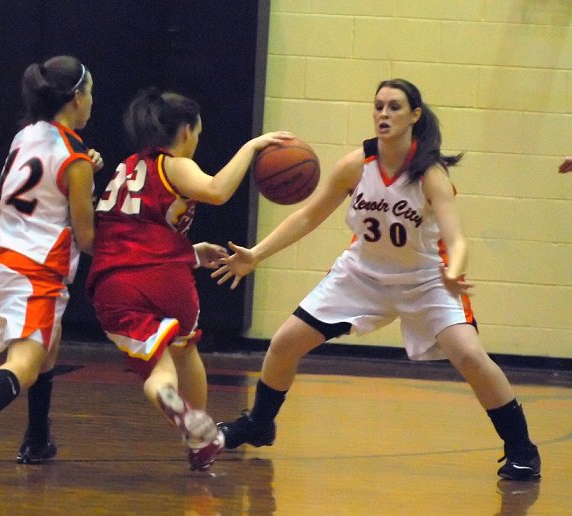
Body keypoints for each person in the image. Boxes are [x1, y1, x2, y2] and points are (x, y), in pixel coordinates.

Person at [214, 79, 541, 481]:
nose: (383, 114)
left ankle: (522, 450)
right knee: (284, 343)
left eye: (394, 107)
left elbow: (456, 239)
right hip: (361, 275)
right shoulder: (356, 165)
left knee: (471, 357)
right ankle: (259, 424)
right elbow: (308, 216)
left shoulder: (430, 174)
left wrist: (455, 270)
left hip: (425, 279)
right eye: (379, 106)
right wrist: (256, 254)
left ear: (414, 115)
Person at [85, 87, 292, 471]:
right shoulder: (174, 164)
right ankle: (200, 436)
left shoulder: (126, 167)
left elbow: (132, 231)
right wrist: (251, 147)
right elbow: (216, 191)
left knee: (159, 372)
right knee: (184, 350)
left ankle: (180, 411)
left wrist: (191, 252)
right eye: (197, 132)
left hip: (115, 282)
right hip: (166, 281)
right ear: (185, 131)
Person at [0, 55, 103, 483]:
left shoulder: (28, 134)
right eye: (90, 94)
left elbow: (49, 180)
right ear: (76, 98)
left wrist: (84, 173)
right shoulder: (75, 158)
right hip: (37, 269)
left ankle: (37, 439)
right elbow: (87, 237)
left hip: (3, 258)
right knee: (26, 362)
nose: (93, 102)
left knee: (50, 342)